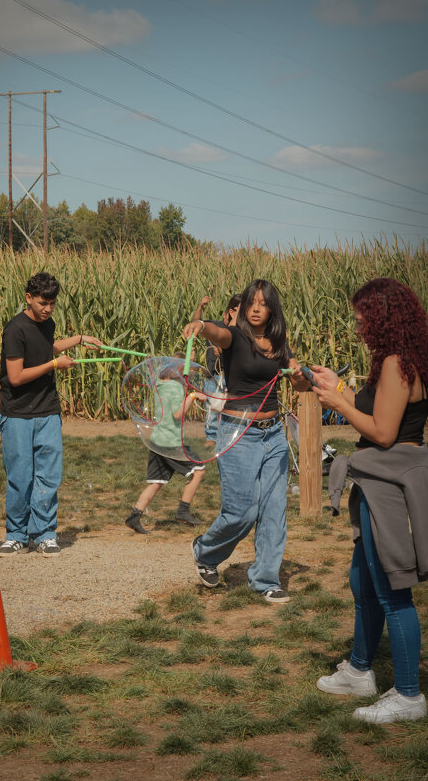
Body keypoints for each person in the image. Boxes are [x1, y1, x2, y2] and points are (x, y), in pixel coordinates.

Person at [312, 277, 428, 724]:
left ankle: (410, 696)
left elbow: (382, 432)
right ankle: (361, 670)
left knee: (393, 592)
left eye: (364, 316)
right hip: (374, 485)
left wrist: (336, 403)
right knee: (363, 582)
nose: (358, 324)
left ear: (384, 316)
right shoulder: (396, 360)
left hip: (387, 489)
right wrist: (339, 386)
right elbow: (379, 410)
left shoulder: (399, 363)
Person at [183, 280, 308, 602]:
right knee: (241, 512)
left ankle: (265, 579)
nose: (255, 308)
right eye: (251, 302)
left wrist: (300, 377)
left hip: (274, 435)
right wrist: (200, 325)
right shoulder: (235, 338)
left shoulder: (279, 343)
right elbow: (215, 332)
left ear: (272, 309)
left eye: (263, 303)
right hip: (239, 434)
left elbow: (299, 384)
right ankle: (205, 550)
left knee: (273, 510)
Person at [0, 272, 102, 557]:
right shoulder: (15, 329)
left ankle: (44, 534)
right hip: (17, 414)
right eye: (43, 303)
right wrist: (54, 365)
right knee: (21, 477)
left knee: (49, 477)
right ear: (29, 298)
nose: (48, 309)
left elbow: (47, 348)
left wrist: (79, 339)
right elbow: (16, 376)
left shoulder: (48, 323)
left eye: (52, 304)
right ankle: (16, 535)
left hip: (48, 411)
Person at [126, 353, 208, 534]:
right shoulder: (176, 388)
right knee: (199, 471)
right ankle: (183, 511)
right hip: (170, 442)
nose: (192, 373)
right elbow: (178, 414)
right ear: (181, 369)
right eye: (191, 369)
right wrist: (193, 396)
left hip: (158, 440)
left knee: (157, 482)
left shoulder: (160, 385)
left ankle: (134, 516)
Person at [192, 295, 241, 444]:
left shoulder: (239, 332)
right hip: (213, 374)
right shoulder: (215, 327)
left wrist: (223, 351)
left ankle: (230, 436)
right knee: (211, 408)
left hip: (232, 375)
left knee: (231, 408)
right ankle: (211, 437)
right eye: (229, 313)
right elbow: (196, 323)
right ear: (226, 314)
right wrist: (200, 306)